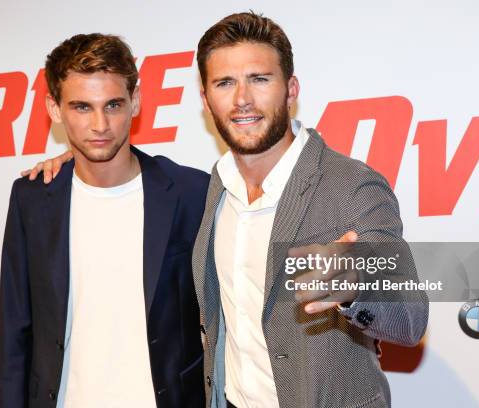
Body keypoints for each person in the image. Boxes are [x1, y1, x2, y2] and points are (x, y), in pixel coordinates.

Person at [28, 13, 429, 408]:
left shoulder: (348, 184)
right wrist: (77, 157)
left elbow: (411, 319)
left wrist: (356, 285)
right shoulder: (214, 188)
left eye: (259, 79)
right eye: (224, 83)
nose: (242, 100)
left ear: (291, 89)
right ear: (205, 99)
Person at [0, 33, 207, 408]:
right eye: (81, 107)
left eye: (113, 104)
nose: (100, 124)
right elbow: (15, 329)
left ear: (136, 101)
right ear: (55, 109)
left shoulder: (192, 193)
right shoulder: (32, 198)